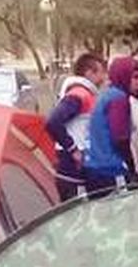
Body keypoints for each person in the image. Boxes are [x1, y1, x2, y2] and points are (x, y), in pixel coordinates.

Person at [44, 53, 106, 198]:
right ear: (89, 73)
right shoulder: (79, 94)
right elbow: (53, 122)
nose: (104, 78)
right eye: (101, 72)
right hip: (72, 167)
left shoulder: (86, 94)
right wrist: (73, 150)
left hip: (77, 165)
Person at [82, 54, 137, 193]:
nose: (137, 82)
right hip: (110, 169)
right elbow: (120, 137)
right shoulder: (118, 98)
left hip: (93, 166)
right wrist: (131, 166)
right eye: (133, 77)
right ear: (124, 76)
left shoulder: (106, 95)